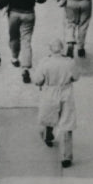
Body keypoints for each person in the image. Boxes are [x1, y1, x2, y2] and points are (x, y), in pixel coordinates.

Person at [0, 0, 47, 83]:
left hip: (14, 14)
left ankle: (14, 58)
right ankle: (26, 69)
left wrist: (1, 5)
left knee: (14, 37)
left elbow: (2, 1)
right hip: (29, 14)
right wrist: (36, 0)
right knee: (26, 40)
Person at [32, 39, 79, 167]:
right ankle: (66, 157)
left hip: (49, 91)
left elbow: (37, 80)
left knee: (49, 114)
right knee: (67, 122)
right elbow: (76, 77)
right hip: (65, 91)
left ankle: (48, 135)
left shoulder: (44, 62)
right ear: (62, 49)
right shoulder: (69, 62)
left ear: (50, 49)